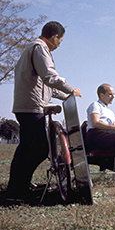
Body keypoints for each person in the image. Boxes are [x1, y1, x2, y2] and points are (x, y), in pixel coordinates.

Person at [6, 21, 82, 201]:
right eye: (60, 41)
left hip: (26, 106)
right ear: (55, 37)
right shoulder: (40, 48)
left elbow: (45, 85)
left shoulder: (32, 48)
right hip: (31, 107)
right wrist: (71, 90)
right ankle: (18, 188)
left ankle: (17, 186)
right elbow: (50, 77)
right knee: (39, 149)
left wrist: (64, 97)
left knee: (25, 148)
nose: (59, 46)